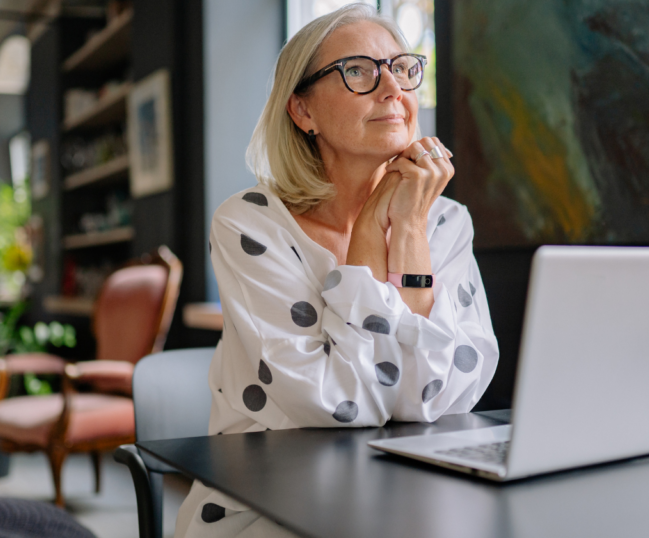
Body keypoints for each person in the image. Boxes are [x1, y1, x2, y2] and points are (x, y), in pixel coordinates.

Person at [175, 5, 499, 537]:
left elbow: (440, 397)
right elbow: (338, 407)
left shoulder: (444, 221)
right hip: (270, 505)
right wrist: (370, 234)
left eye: (402, 67)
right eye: (359, 71)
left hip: (407, 493)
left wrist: (408, 229)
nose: (392, 87)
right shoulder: (250, 225)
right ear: (302, 112)